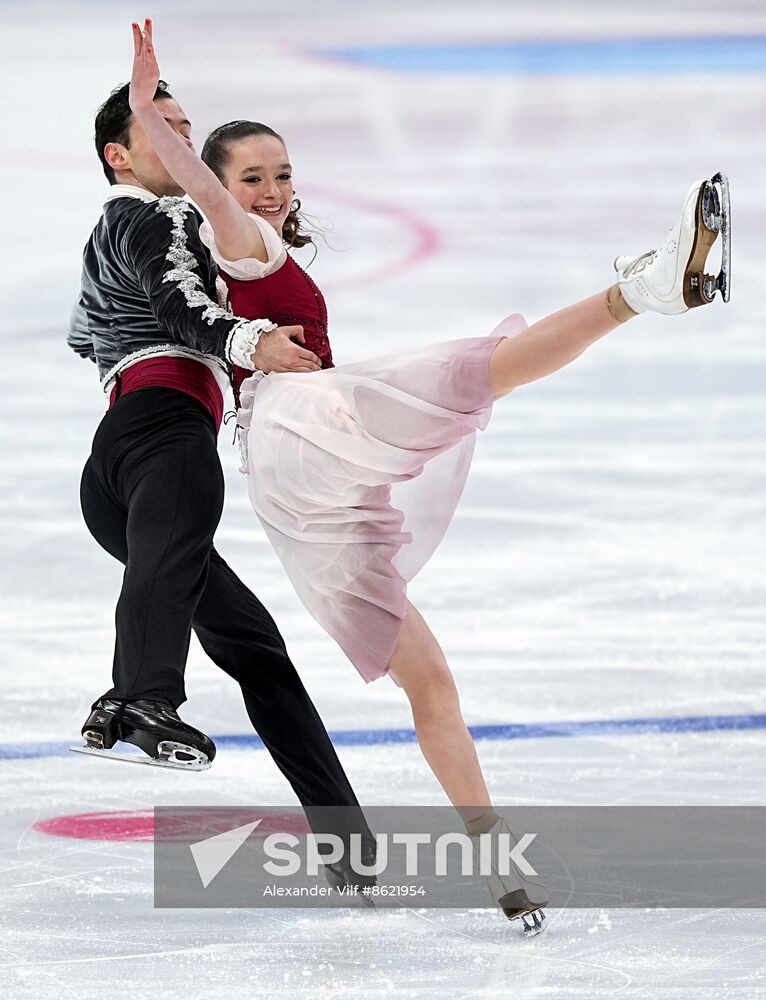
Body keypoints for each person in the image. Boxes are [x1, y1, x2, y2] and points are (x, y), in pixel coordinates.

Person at [127, 21, 730, 933]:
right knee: (469, 373)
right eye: (256, 177)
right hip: (300, 425)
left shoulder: (262, 251)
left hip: (301, 502)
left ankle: (501, 871)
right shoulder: (244, 240)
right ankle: (643, 292)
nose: (274, 191)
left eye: (283, 173)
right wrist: (154, 121)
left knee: (432, 686)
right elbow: (208, 195)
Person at [67, 62, 376, 889]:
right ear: (120, 156)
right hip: (164, 435)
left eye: (184, 127)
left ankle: (344, 841)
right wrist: (246, 344)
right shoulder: (153, 215)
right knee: (189, 591)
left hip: (125, 463)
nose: (181, 141)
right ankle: (139, 700)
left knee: (255, 649)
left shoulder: (125, 227)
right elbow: (176, 307)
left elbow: (88, 331)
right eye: (161, 130)